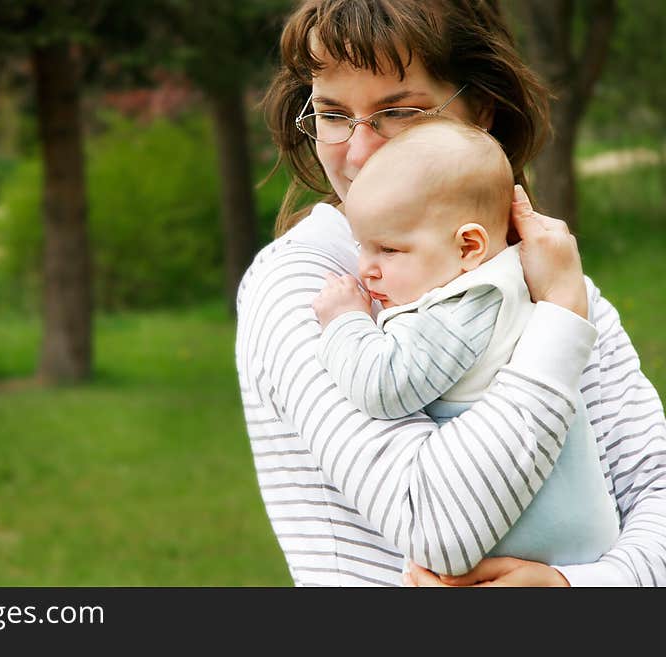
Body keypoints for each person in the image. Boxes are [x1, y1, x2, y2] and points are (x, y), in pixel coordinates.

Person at [236, 0, 666, 587]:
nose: (360, 153)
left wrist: (581, 590)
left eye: (400, 111)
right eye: (335, 115)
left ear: (480, 109)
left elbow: (654, 487)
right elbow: (437, 523)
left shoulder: (549, 277)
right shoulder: (310, 287)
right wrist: (561, 321)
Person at [311, 115, 619, 568]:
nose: (366, 269)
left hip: (541, 534)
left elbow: (384, 384)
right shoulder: (513, 277)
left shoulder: (466, 306)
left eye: (389, 250)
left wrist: (344, 321)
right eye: (362, 247)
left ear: (468, 247)